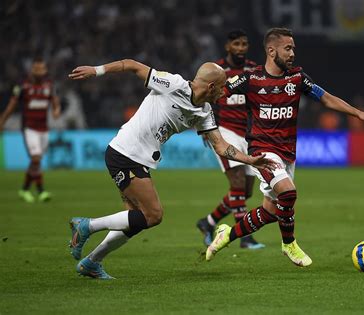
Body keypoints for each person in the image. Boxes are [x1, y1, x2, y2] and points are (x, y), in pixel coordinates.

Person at [67, 59, 276, 279]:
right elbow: (131, 65)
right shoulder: (173, 84)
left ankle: (92, 262)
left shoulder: (204, 112)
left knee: (133, 220)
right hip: (125, 153)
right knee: (154, 214)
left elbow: (221, 145)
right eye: (223, 87)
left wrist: (250, 160)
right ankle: (87, 226)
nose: (224, 92)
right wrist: (96, 71)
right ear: (211, 87)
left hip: (139, 159)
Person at [205, 27, 364, 267]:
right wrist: (202, 116)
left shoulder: (297, 78)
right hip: (261, 150)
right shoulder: (251, 79)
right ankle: (289, 244)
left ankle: (226, 234)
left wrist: (358, 113)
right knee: (288, 193)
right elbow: (216, 94)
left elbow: (327, 98)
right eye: (287, 48)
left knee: (271, 212)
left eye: (293, 49)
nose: (292, 54)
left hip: (287, 153)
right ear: (271, 50)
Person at [196, 29, 264, 249]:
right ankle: (244, 237)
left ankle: (208, 222)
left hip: (246, 133)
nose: (241, 48)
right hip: (224, 132)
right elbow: (201, 98)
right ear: (228, 47)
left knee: (246, 191)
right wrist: (206, 129)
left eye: (244, 44)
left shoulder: (253, 70)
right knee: (237, 184)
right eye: (237, 44)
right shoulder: (216, 71)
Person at [0, 58, 61, 203]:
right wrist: (2, 120)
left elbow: (55, 100)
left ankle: (25, 189)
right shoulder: (23, 86)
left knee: (36, 161)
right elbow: (12, 105)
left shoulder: (49, 85)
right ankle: (41, 190)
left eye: (42, 70)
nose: (40, 74)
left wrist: (56, 110)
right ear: (32, 71)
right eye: (37, 70)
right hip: (29, 128)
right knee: (36, 158)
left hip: (44, 129)